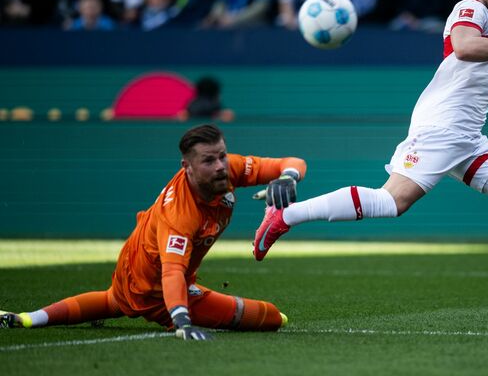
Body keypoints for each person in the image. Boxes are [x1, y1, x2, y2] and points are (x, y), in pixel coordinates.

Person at [253, 0, 488, 319]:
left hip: (468, 138)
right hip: (441, 130)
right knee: (392, 201)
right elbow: (464, 46)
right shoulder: (470, 8)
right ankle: (285, 215)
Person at [0, 124, 307, 340]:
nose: (220, 166)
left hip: (139, 263)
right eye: (209, 160)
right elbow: (172, 273)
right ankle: (162, 312)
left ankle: (29, 318)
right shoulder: (180, 216)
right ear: (186, 166)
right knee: (270, 317)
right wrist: (181, 319)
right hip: (155, 291)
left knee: (114, 302)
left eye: (222, 155)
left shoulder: (229, 169)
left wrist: (289, 178)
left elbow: (291, 161)